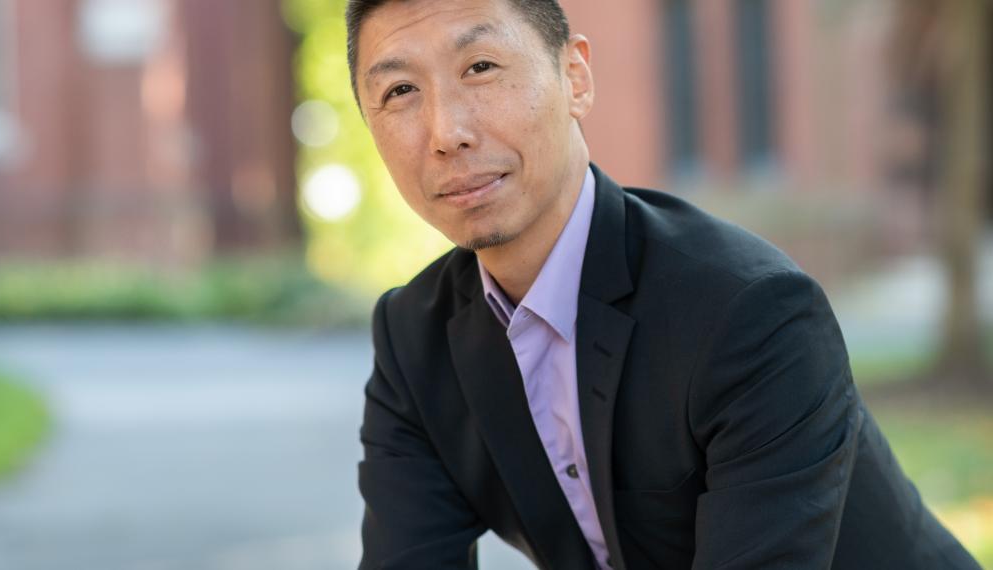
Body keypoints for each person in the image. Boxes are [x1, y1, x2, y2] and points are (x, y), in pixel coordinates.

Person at [346, 0, 981, 568]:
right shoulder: (413, 338)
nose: (446, 132)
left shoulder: (750, 312)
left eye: (480, 68)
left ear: (575, 77)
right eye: (400, 90)